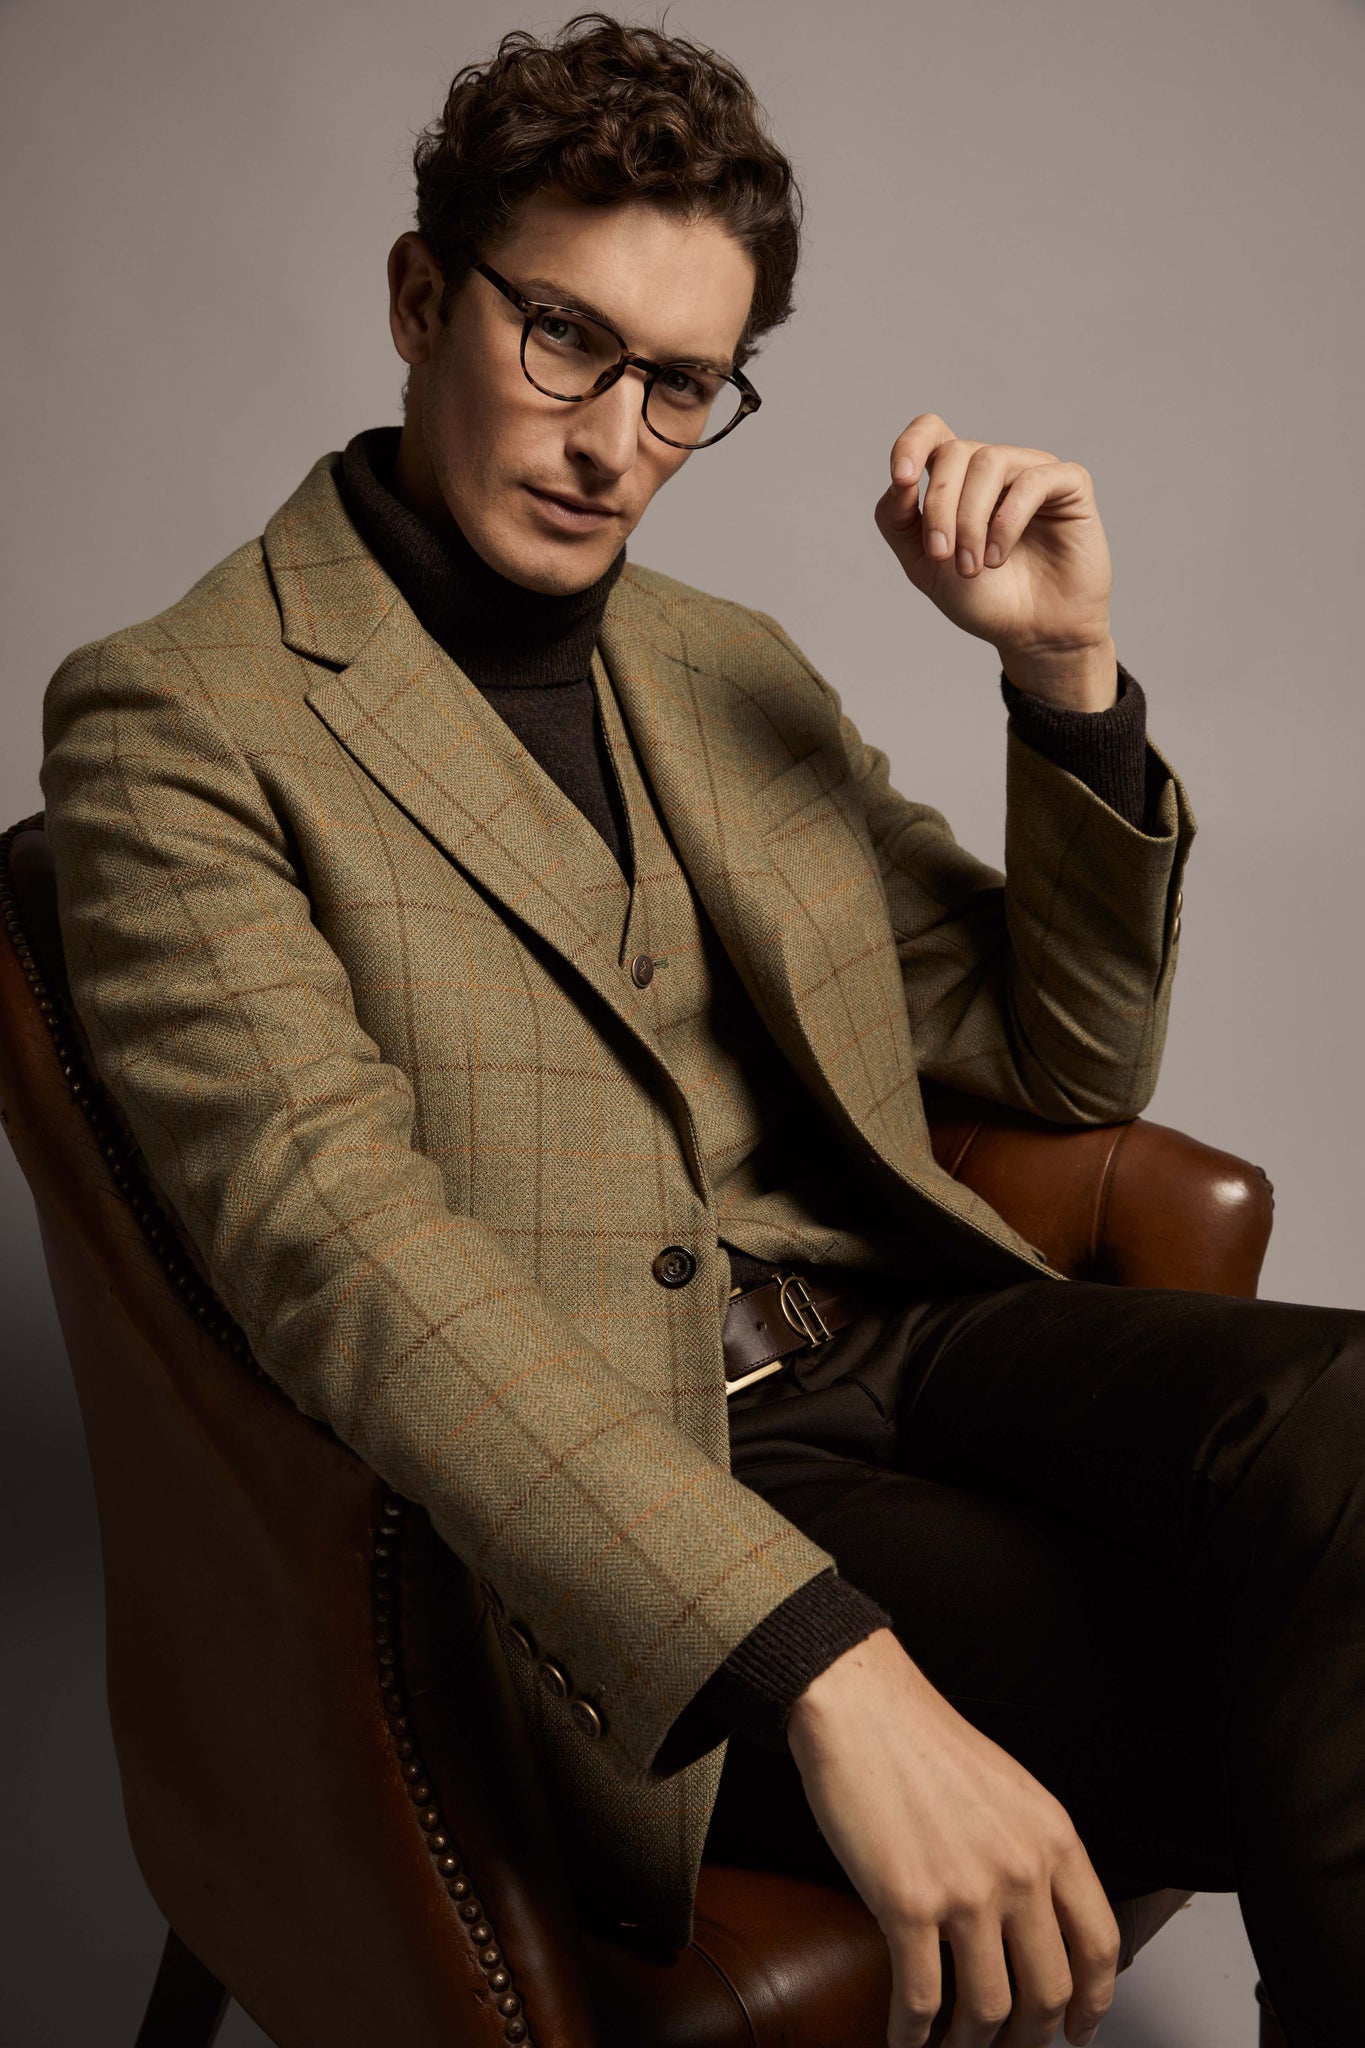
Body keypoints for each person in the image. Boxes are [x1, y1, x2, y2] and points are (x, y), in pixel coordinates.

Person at [37, 15, 1363, 2046]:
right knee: (1250, 1664)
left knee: (1347, 1420)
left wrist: (1066, 682)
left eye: (680, 384)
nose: (613, 439)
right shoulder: (176, 719)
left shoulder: (721, 660)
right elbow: (344, 1259)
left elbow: (1064, 1067)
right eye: (562, 339)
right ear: (419, 299)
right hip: (628, 1466)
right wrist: (821, 1662)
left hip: (902, 1340)